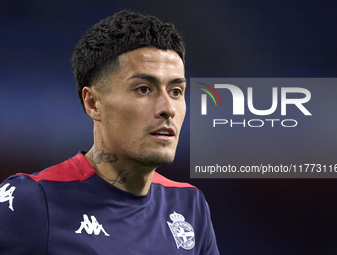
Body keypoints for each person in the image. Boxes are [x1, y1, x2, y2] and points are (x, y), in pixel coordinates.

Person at [0, 10, 219, 254]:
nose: (168, 108)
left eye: (176, 91)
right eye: (144, 89)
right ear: (93, 103)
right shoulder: (31, 200)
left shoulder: (189, 205)